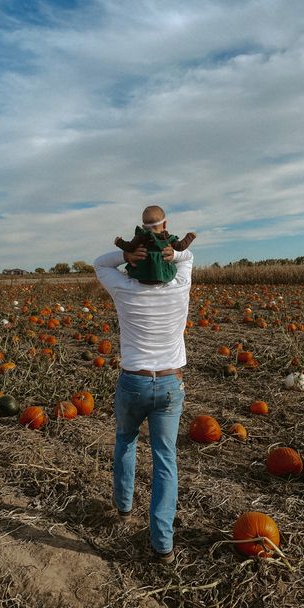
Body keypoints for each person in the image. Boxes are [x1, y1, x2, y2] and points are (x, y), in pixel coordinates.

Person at [94, 234, 193, 564]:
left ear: (135, 261)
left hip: (133, 382)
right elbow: (187, 257)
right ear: (166, 261)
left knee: (125, 440)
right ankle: (163, 545)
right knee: (165, 459)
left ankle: (124, 507)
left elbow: (100, 263)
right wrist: (172, 251)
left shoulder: (123, 287)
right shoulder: (179, 285)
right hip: (169, 383)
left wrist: (127, 253)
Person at [114, 205, 196, 284]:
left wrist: (119, 242)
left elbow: (129, 247)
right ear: (164, 224)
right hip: (164, 274)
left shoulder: (140, 237)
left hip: (141, 274)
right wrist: (189, 237)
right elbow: (180, 247)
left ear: (143, 226)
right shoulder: (167, 238)